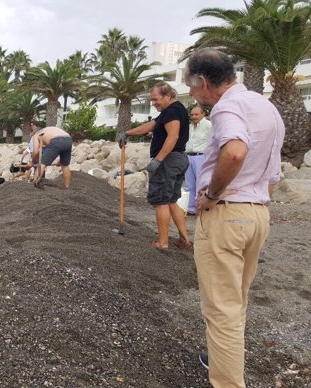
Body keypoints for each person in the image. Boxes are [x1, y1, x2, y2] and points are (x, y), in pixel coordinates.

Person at [186, 49, 284, 387]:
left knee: (221, 309)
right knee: (236, 299)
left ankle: (227, 381)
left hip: (228, 214)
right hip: (257, 213)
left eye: (190, 86)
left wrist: (212, 195)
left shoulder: (227, 107)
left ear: (201, 82)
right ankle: (220, 355)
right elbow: (272, 171)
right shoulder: (265, 105)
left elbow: (236, 150)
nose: (191, 93)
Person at [117, 81, 191, 251]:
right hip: (179, 159)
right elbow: (152, 125)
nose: (154, 103)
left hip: (169, 160)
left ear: (168, 95)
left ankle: (162, 243)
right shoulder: (173, 110)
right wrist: (128, 133)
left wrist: (158, 159)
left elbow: (172, 137)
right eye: (152, 100)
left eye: (156, 99)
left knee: (161, 201)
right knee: (172, 201)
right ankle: (185, 240)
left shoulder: (172, 111)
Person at [184, 106, 211, 215]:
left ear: (203, 114)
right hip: (188, 156)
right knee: (189, 184)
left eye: (196, 114)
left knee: (201, 184)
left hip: (201, 156)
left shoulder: (208, 125)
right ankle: (191, 209)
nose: (194, 117)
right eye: (192, 114)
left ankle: (201, 208)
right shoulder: (189, 127)